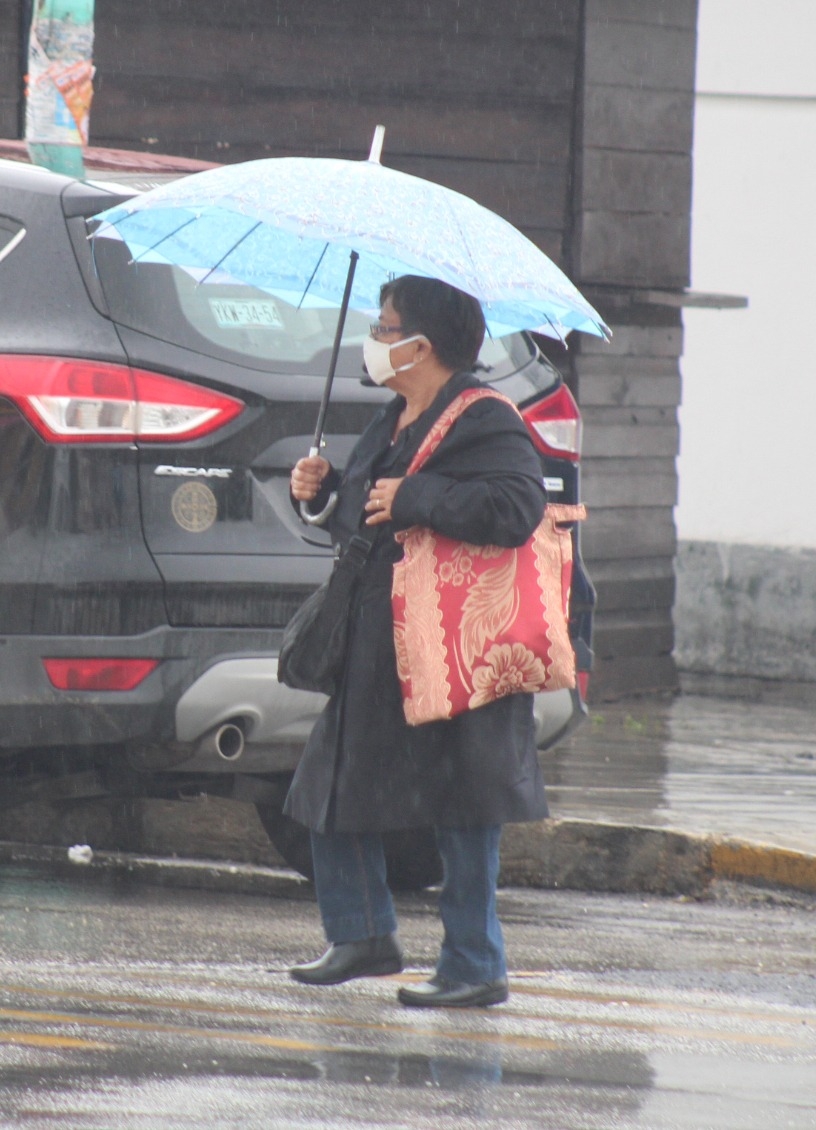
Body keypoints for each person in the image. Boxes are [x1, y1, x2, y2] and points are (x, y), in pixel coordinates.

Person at [284, 275, 548, 1008]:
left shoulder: (485, 415)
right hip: (379, 639)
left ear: (422, 345)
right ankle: (363, 933)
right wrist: (324, 492)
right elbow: (366, 515)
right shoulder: (396, 416)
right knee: (330, 780)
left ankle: (473, 963)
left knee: (464, 799)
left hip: (454, 644)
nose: (375, 338)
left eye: (385, 326)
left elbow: (517, 506)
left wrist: (417, 498)